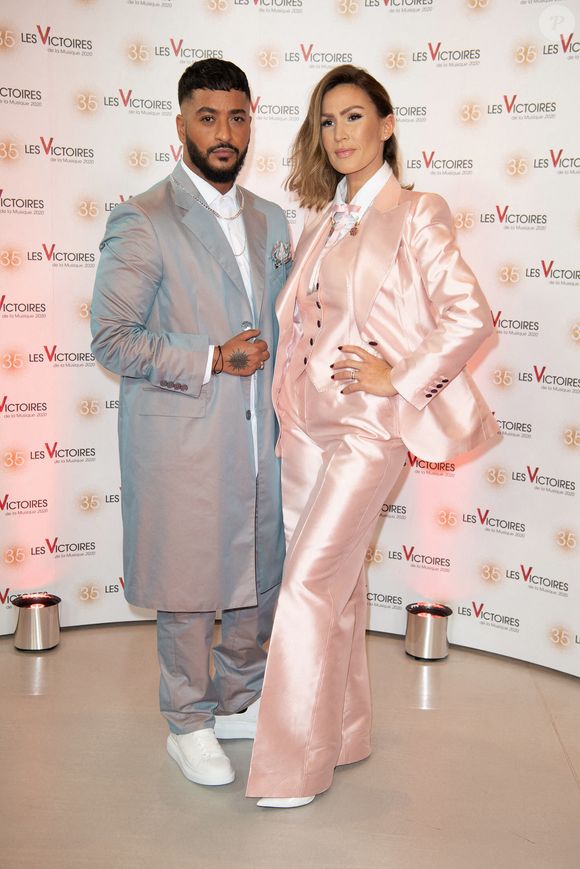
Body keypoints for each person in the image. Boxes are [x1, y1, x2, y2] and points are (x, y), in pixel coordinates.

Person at [246, 65, 499, 808]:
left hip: (367, 428)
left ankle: (292, 764)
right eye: (327, 122)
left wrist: (401, 375)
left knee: (306, 586)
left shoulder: (417, 209)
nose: (340, 135)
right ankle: (346, 730)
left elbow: (470, 314)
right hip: (306, 425)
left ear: (386, 124)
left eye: (354, 117)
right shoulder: (324, 216)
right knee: (342, 587)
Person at [91, 59, 291, 788]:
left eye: (237, 117)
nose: (224, 132)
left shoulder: (271, 218)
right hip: (181, 436)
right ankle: (188, 720)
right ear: (180, 126)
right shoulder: (143, 218)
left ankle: (239, 699)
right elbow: (110, 337)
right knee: (186, 585)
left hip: (257, 438)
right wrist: (211, 356)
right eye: (208, 118)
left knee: (254, 573)